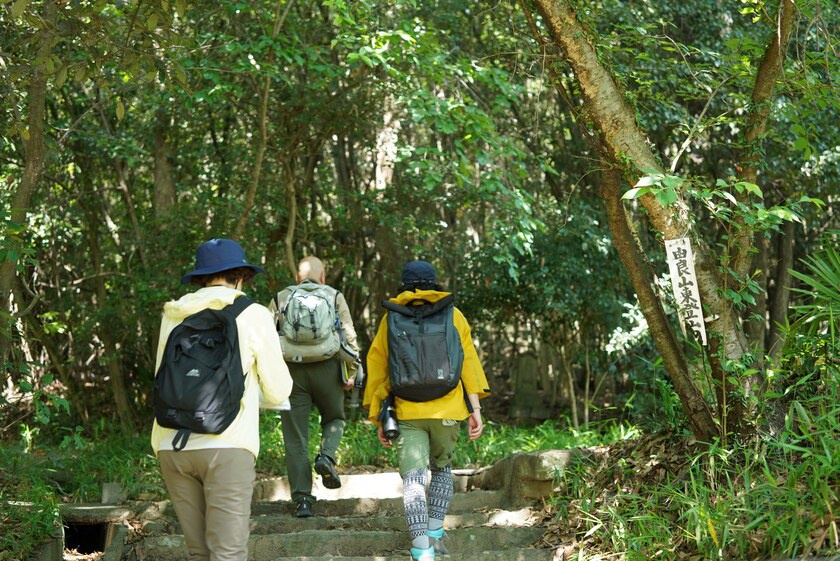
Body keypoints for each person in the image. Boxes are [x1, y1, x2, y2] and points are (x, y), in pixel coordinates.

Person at [151, 238, 293, 561]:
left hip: (171, 445)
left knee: (198, 553)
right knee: (227, 554)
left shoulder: (173, 313)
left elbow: (163, 376)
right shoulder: (253, 314)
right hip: (227, 446)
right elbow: (279, 390)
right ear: (240, 276)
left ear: (201, 277)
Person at [363, 260, 490, 561]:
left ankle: (422, 551)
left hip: (407, 411)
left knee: (413, 479)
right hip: (447, 407)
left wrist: (379, 416)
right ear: (434, 284)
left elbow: (378, 367)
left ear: (403, 285)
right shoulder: (453, 315)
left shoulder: (390, 319)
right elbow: (468, 363)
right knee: (442, 469)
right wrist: (475, 409)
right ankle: (435, 533)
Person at [268, 256, 360, 518]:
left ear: (297, 279)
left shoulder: (281, 297)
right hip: (328, 369)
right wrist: (351, 372)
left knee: (295, 437)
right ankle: (327, 457)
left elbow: (265, 336)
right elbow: (348, 334)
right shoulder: (333, 296)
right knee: (334, 418)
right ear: (323, 278)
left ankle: (303, 500)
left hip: (292, 373)